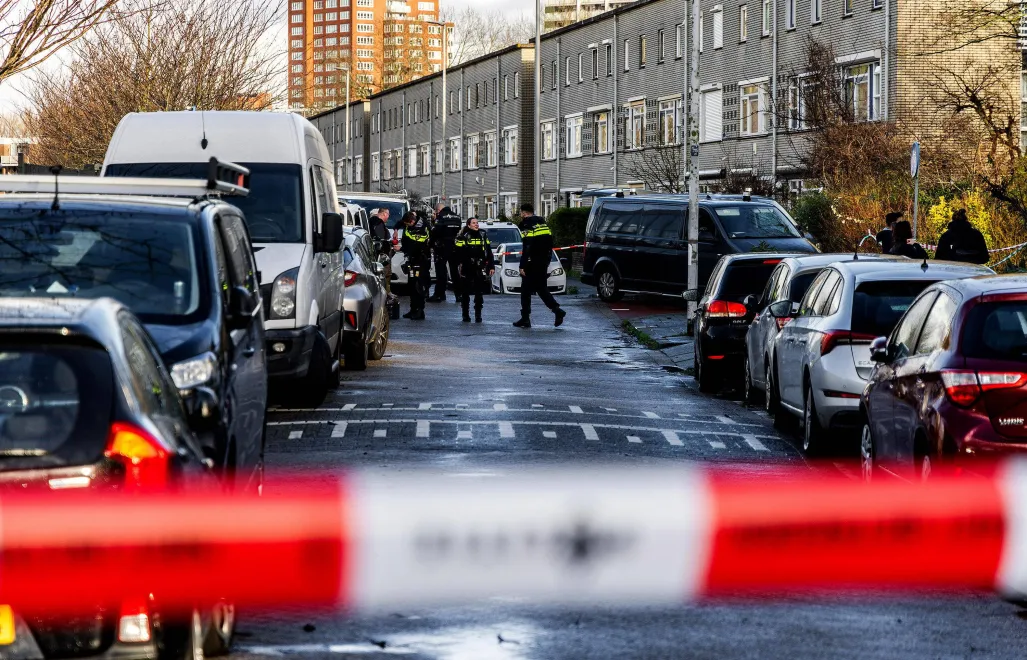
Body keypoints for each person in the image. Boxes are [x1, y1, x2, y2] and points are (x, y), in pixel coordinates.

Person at [514, 203, 566, 328]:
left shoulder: (526, 225)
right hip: (543, 261)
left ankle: (526, 318)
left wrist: (522, 264)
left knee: (526, 290)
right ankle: (557, 311)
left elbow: (527, 246)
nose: (521, 215)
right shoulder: (543, 224)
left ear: (524, 213)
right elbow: (550, 244)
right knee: (541, 288)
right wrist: (547, 261)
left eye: (521, 213)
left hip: (532, 262)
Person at [454, 216, 495, 323]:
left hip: (479, 267)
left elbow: (488, 251)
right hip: (467, 267)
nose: (476, 224)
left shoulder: (482, 235)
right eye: (473, 223)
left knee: (479, 292)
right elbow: (458, 253)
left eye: (477, 222)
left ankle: (478, 315)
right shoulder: (464, 236)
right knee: (466, 292)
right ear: (468, 225)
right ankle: (465, 315)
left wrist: (491, 265)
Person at [399, 211, 431, 320]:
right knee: (412, 285)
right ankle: (413, 309)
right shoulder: (410, 227)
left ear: (412, 221)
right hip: (413, 259)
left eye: (407, 224)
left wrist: (404, 249)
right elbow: (406, 238)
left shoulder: (421, 228)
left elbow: (417, 245)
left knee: (418, 286)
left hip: (421, 260)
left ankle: (419, 310)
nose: (406, 226)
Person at [428, 204, 463, 303]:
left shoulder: (441, 216)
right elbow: (458, 229)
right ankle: (458, 295)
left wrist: (430, 244)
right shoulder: (456, 216)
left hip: (442, 247)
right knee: (454, 272)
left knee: (441, 271)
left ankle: (439, 294)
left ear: (438, 210)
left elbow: (435, 232)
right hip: (454, 246)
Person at [369, 208, 394, 295]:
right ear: (384, 214)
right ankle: (386, 293)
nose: (388, 217)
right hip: (381, 255)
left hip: (379, 254)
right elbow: (381, 240)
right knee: (385, 274)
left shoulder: (375, 223)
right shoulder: (378, 223)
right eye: (388, 215)